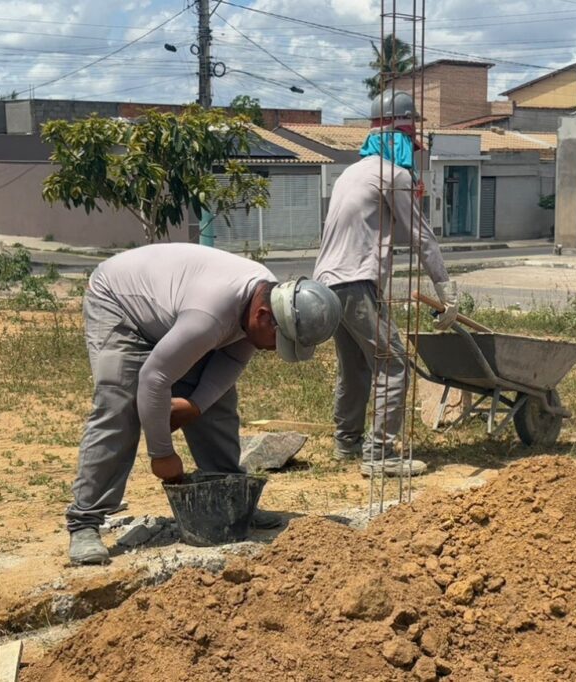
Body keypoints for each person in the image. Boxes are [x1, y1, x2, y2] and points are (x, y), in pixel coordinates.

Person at [67, 243, 340, 565]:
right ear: (262, 316)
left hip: (174, 311)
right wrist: (162, 455)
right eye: (278, 341)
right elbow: (154, 380)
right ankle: (85, 522)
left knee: (216, 401)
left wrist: (195, 404)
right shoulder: (210, 316)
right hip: (120, 303)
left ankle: (231, 500)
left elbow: (231, 359)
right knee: (120, 404)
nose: (272, 351)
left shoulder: (266, 297)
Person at [313, 90, 459, 478]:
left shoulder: (352, 172)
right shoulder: (394, 176)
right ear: (405, 135)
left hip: (327, 287)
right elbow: (422, 237)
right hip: (357, 283)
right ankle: (380, 454)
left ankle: (347, 442)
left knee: (356, 368)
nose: (415, 147)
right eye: (413, 139)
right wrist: (448, 293)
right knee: (394, 362)